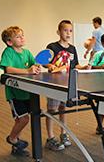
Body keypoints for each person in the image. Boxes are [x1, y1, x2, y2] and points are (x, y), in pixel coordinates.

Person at [0, 26, 41, 157]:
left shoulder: (27, 52)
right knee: (23, 119)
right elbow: (8, 70)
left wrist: (36, 67)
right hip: (14, 93)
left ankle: (16, 146)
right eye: (18, 36)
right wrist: (27, 71)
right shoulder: (8, 52)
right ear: (10, 42)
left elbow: (34, 64)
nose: (22, 38)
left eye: (23, 35)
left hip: (27, 92)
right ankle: (12, 138)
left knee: (20, 120)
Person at [44, 20, 86, 151]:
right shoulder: (52, 47)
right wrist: (50, 65)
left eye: (70, 31)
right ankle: (50, 138)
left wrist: (84, 67)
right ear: (59, 32)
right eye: (65, 30)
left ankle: (64, 134)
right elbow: (45, 62)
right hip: (54, 84)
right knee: (52, 111)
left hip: (67, 84)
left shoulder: (73, 48)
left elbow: (75, 65)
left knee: (63, 109)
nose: (68, 33)